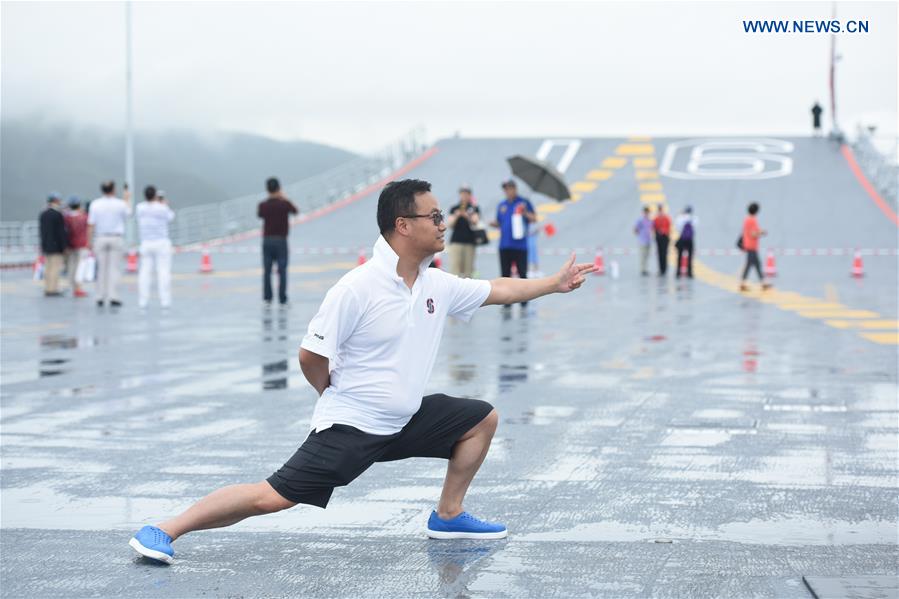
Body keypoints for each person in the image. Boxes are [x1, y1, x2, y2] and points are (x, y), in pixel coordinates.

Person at [128, 179, 595, 565]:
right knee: (270, 498)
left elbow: (497, 288)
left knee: (480, 418)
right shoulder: (358, 287)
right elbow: (312, 355)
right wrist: (332, 394)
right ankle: (164, 529)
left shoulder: (436, 283)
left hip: (404, 420)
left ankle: (448, 515)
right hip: (352, 427)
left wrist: (553, 284)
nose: (442, 222)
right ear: (402, 225)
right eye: (433, 216)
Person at [489, 179, 536, 307]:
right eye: (506, 189)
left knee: (522, 273)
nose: (508, 191)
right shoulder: (502, 205)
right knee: (505, 274)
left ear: (515, 189)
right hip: (504, 245)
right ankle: (506, 300)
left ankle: (524, 300)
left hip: (520, 245)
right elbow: (499, 222)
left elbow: (534, 218)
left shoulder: (524, 202)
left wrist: (525, 212)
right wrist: (492, 223)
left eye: (510, 188)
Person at [88, 180, 131, 307]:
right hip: (116, 238)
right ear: (113, 190)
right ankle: (114, 296)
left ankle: (100, 296)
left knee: (101, 269)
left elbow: (91, 224)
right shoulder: (120, 204)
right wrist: (127, 199)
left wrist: (89, 241)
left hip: (100, 237)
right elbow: (128, 214)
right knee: (114, 269)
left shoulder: (95, 204)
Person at [257, 177, 298, 305]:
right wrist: (284, 197)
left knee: (267, 270)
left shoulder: (263, 205)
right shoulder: (284, 204)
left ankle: (268, 298)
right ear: (279, 188)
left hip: (267, 241)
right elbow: (295, 211)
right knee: (282, 270)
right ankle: (282, 298)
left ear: (267, 189)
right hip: (281, 241)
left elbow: (260, 215)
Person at [136, 185, 175, 310]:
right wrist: (164, 204)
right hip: (161, 242)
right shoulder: (162, 208)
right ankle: (165, 300)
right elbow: (170, 217)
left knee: (144, 272)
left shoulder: (139, 207)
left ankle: (143, 300)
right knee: (163, 272)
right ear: (155, 196)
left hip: (146, 243)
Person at [446, 185, 481, 278]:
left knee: (468, 270)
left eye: (466, 193)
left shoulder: (474, 208)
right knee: (454, 269)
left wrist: (467, 216)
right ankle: (454, 290)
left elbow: (476, 221)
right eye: (462, 193)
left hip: (470, 242)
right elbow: (450, 224)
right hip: (456, 241)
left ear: (470, 195)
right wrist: (457, 215)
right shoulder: (454, 208)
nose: (464, 196)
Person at [39, 193, 68, 297]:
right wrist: (64, 246)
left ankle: (47, 287)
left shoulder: (43, 214)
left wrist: (43, 244)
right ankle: (53, 288)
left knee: (48, 268)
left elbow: (42, 231)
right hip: (56, 246)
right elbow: (61, 232)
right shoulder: (57, 214)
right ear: (55, 200)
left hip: (46, 245)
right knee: (55, 268)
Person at [740, 202, 772, 291]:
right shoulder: (752, 220)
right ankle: (743, 283)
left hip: (748, 244)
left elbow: (750, 231)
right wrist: (762, 233)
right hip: (751, 246)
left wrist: (759, 231)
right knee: (751, 264)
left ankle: (763, 283)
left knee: (755, 264)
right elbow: (753, 233)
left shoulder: (747, 219)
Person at [64, 196, 90, 298]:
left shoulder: (66, 218)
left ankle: (73, 286)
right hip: (82, 245)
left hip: (70, 245)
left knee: (72, 266)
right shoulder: (84, 217)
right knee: (81, 267)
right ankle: (79, 288)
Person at [674, 206, 696, 279]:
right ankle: (690, 272)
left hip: (682, 239)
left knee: (679, 256)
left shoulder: (681, 218)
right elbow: (696, 225)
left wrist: (680, 214)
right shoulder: (693, 218)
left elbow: (677, 226)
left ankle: (678, 272)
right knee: (690, 256)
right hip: (690, 240)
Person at [633, 206, 653, 276]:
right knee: (642, 255)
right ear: (643, 212)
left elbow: (651, 229)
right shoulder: (640, 220)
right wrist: (640, 235)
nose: (647, 213)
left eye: (648, 212)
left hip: (648, 240)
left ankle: (645, 269)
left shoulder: (650, 220)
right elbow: (635, 229)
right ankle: (642, 269)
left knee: (647, 255)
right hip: (642, 240)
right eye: (646, 212)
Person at [653, 205, 672, 276]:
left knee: (664, 253)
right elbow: (653, 226)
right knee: (659, 254)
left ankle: (664, 269)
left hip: (665, 237)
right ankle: (661, 269)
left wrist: (663, 231)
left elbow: (669, 227)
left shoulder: (666, 218)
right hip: (659, 237)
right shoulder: (656, 219)